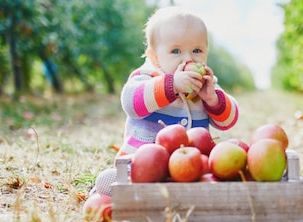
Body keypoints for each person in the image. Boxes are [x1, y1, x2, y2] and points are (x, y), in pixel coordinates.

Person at [92, 6, 240, 196]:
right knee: (117, 179)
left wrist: (212, 99)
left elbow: (228, 121)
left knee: (215, 178)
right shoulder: (147, 77)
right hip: (145, 165)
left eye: (197, 50)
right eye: (176, 51)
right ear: (155, 57)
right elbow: (131, 104)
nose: (187, 59)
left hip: (192, 166)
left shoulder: (206, 86)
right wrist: (172, 85)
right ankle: (118, 189)